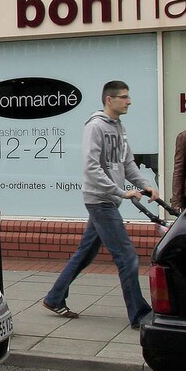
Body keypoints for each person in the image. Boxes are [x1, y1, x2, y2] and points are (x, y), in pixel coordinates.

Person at [41, 80, 157, 329]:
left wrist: (145, 184)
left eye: (128, 96)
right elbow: (91, 167)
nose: (129, 101)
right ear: (109, 100)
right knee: (127, 257)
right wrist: (120, 191)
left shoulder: (119, 127)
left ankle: (54, 297)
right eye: (124, 97)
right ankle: (138, 314)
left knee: (86, 252)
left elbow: (127, 164)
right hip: (100, 200)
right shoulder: (95, 127)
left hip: (109, 200)